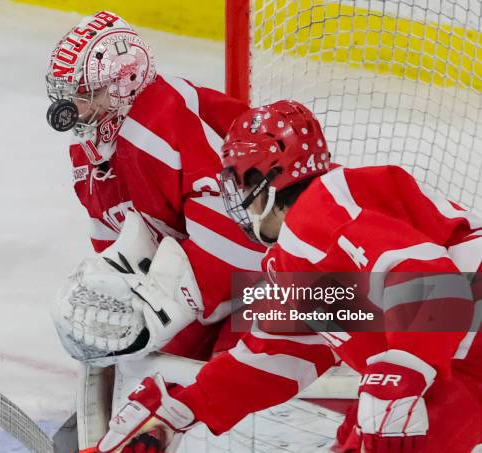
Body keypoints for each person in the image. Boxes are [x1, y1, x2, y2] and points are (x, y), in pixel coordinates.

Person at [97, 100, 481, 453]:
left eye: (239, 180)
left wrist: (403, 369)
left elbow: (433, 281)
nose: (235, 196)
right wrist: (184, 407)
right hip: (458, 357)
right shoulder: (300, 251)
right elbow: (284, 354)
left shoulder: (322, 209)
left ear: (265, 182)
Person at [46, 11, 265, 380]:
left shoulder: (161, 124)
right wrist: (117, 288)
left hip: (315, 274)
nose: (72, 110)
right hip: (241, 280)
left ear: (124, 83)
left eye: (84, 95)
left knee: (245, 362)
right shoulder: (90, 151)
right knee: (151, 359)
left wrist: (164, 305)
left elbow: (242, 239)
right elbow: (112, 229)